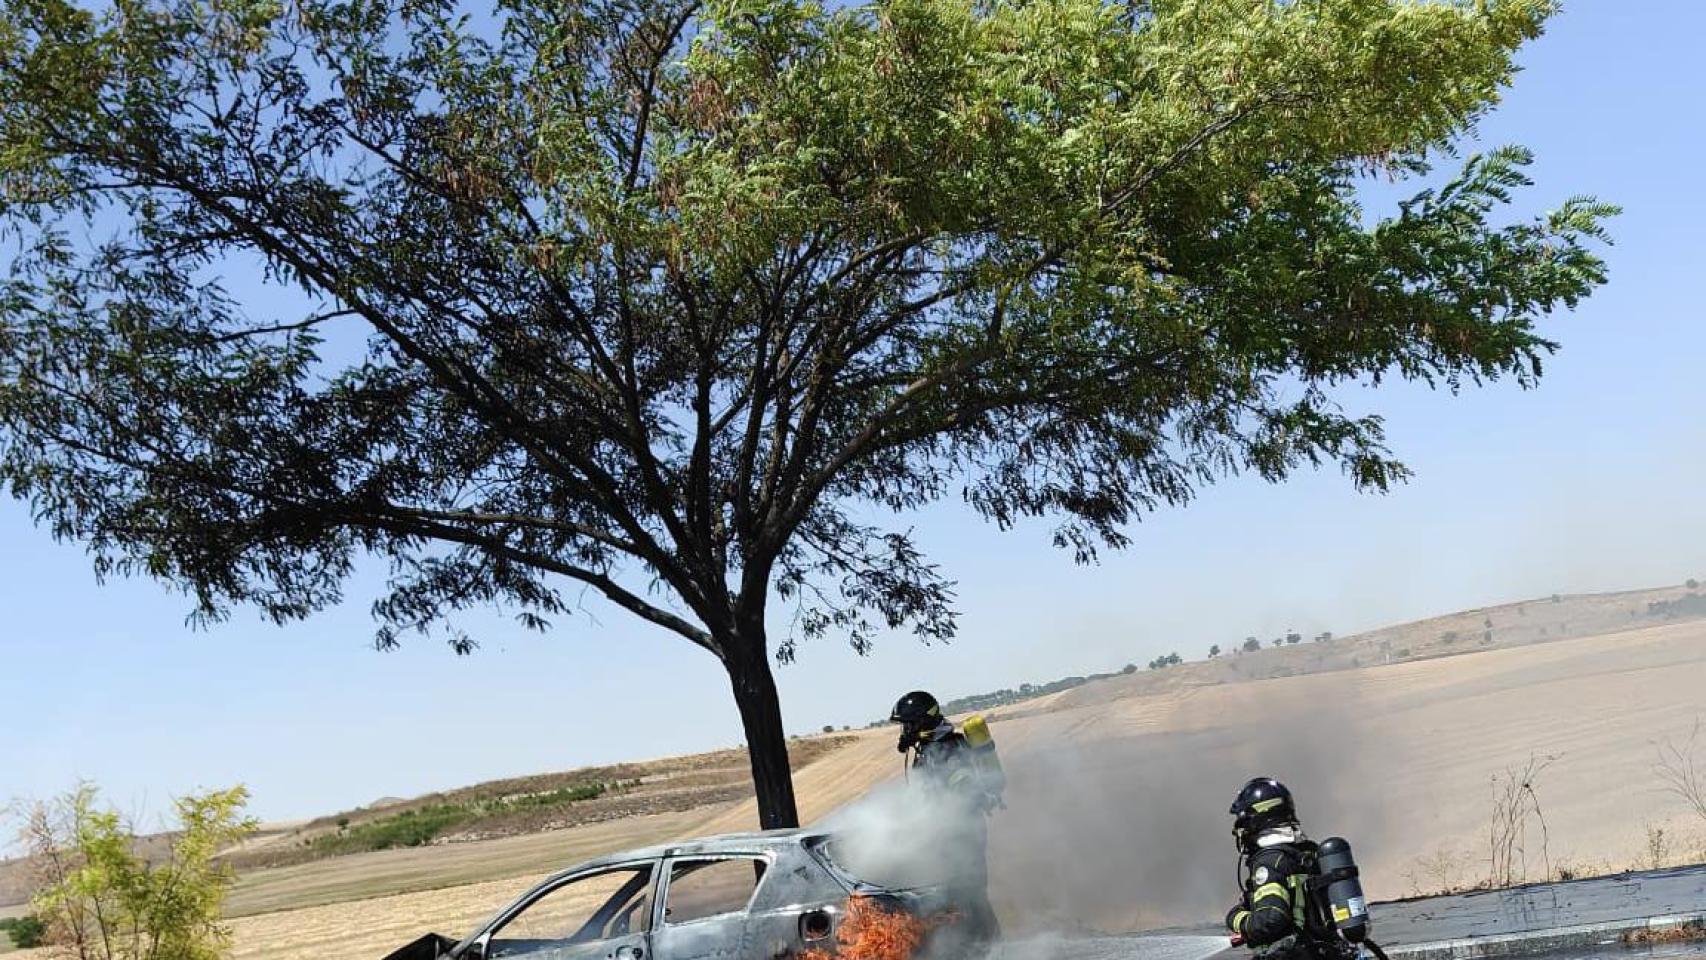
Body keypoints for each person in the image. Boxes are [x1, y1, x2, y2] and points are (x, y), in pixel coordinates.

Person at [890, 690, 1005, 946]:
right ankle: (976, 945)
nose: (904, 731)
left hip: (961, 833)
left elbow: (961, 788)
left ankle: (991, 947)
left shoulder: (944, 748)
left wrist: (941, 816)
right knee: (953, 893)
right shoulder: (931, 748)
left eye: (907, 724)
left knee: (968, 891)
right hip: (948, 833)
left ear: (921, 721)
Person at [1223, 777, 1359, 960]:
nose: (1241, 832)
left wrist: (1235, 918)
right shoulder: (1306, 852)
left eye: (1242, 823)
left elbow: (1271, 918)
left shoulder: (1270, 862)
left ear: (1255, 820)